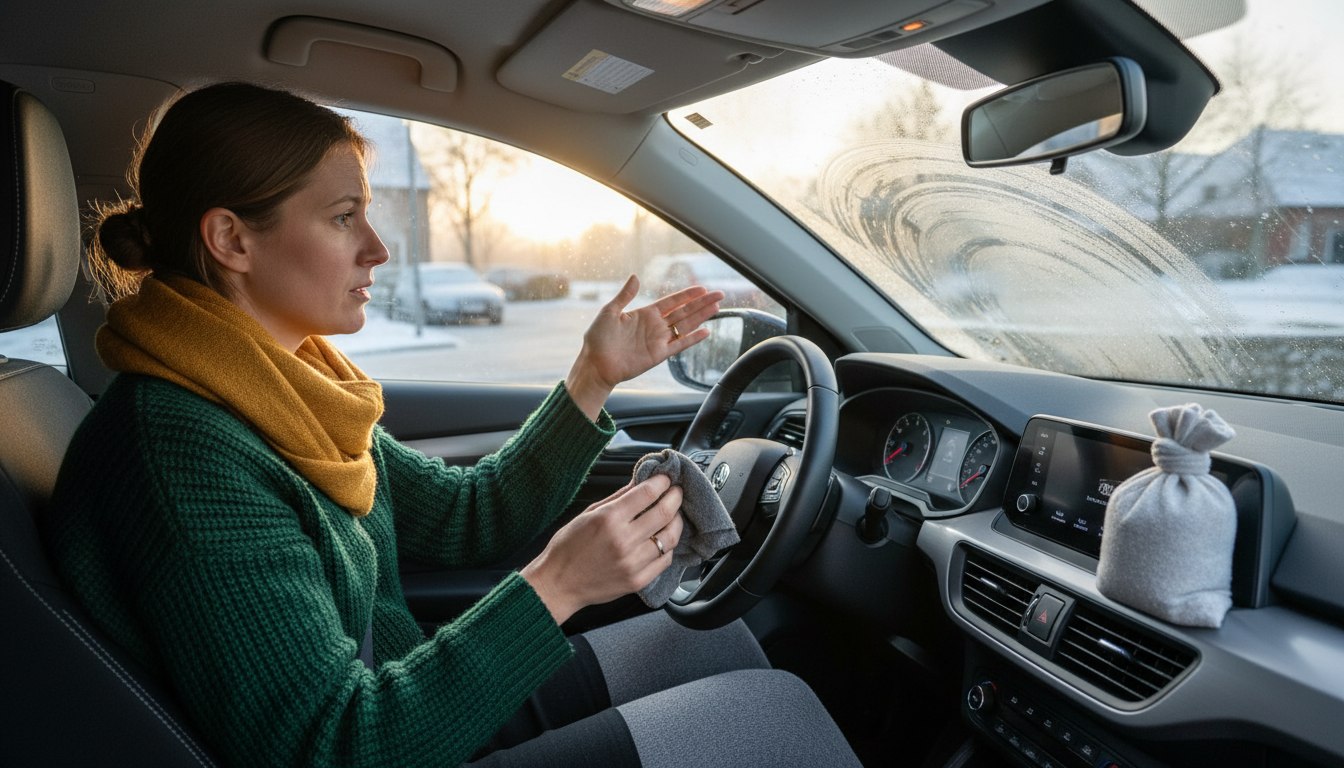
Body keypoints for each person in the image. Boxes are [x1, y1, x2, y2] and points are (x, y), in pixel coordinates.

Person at [43, 82, 861, 767]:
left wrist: (592, 375)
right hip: (378, 741)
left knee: (714, 644)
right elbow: (334, 746)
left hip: (404, 706)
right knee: (768, 714)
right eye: (342, 217)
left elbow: (470, 516)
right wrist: (558, 585)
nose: (377, 249)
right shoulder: (179, 450)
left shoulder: (290, 391)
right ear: (231, 240)